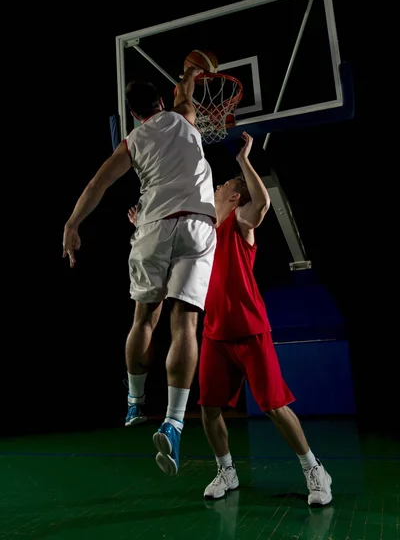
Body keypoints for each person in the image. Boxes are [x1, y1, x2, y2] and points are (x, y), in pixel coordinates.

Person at [63, 66, 217, 477]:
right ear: (162, 103)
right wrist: (194, 70)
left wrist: (72, 225)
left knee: (144, 317)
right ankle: (176, 420)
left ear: (132, 115)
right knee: (185, 325)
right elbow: (186, 86)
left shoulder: (131, 142)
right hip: (198, 224)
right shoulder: (184, 115)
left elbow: (97, 184)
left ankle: (134, 404)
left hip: (151, 226)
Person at [198, 131, 332, 506]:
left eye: (223, 185)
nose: (218, 186)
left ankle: (314, 470)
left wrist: (243, 160)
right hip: (214, 334)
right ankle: (227, 470)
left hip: (249, 331)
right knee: (209, 410)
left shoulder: (241, 223)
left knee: (275, 407)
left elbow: (263, 202)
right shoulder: (205, 234)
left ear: (235, 196)